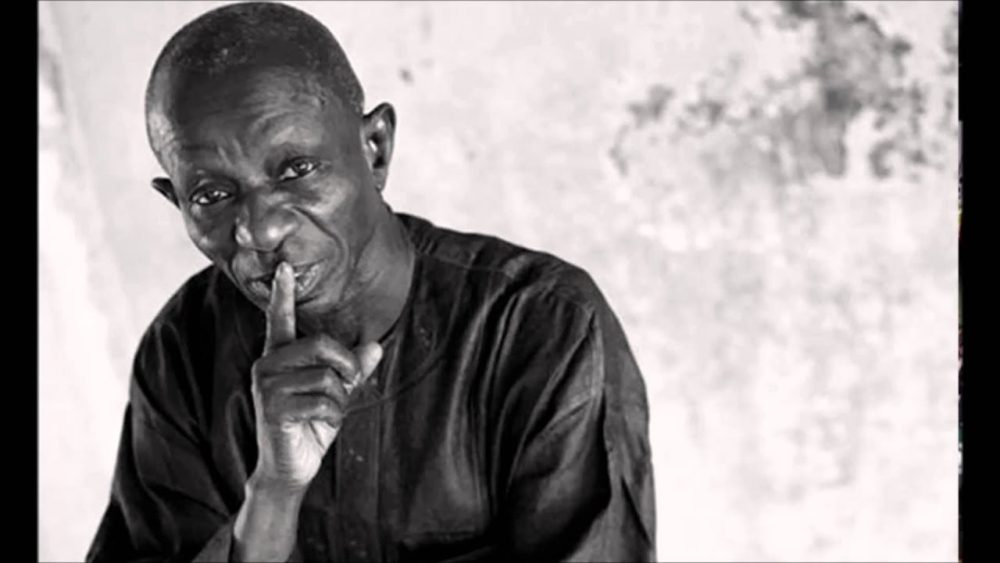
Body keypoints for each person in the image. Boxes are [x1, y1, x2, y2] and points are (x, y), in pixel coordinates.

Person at [85, 2, 655, 561]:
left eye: (297, 169)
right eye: (212, 196)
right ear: (176, 202)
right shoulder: (182, 352)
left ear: (375, 149)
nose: (260, 229)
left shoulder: (543, 328)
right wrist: (272, 497)